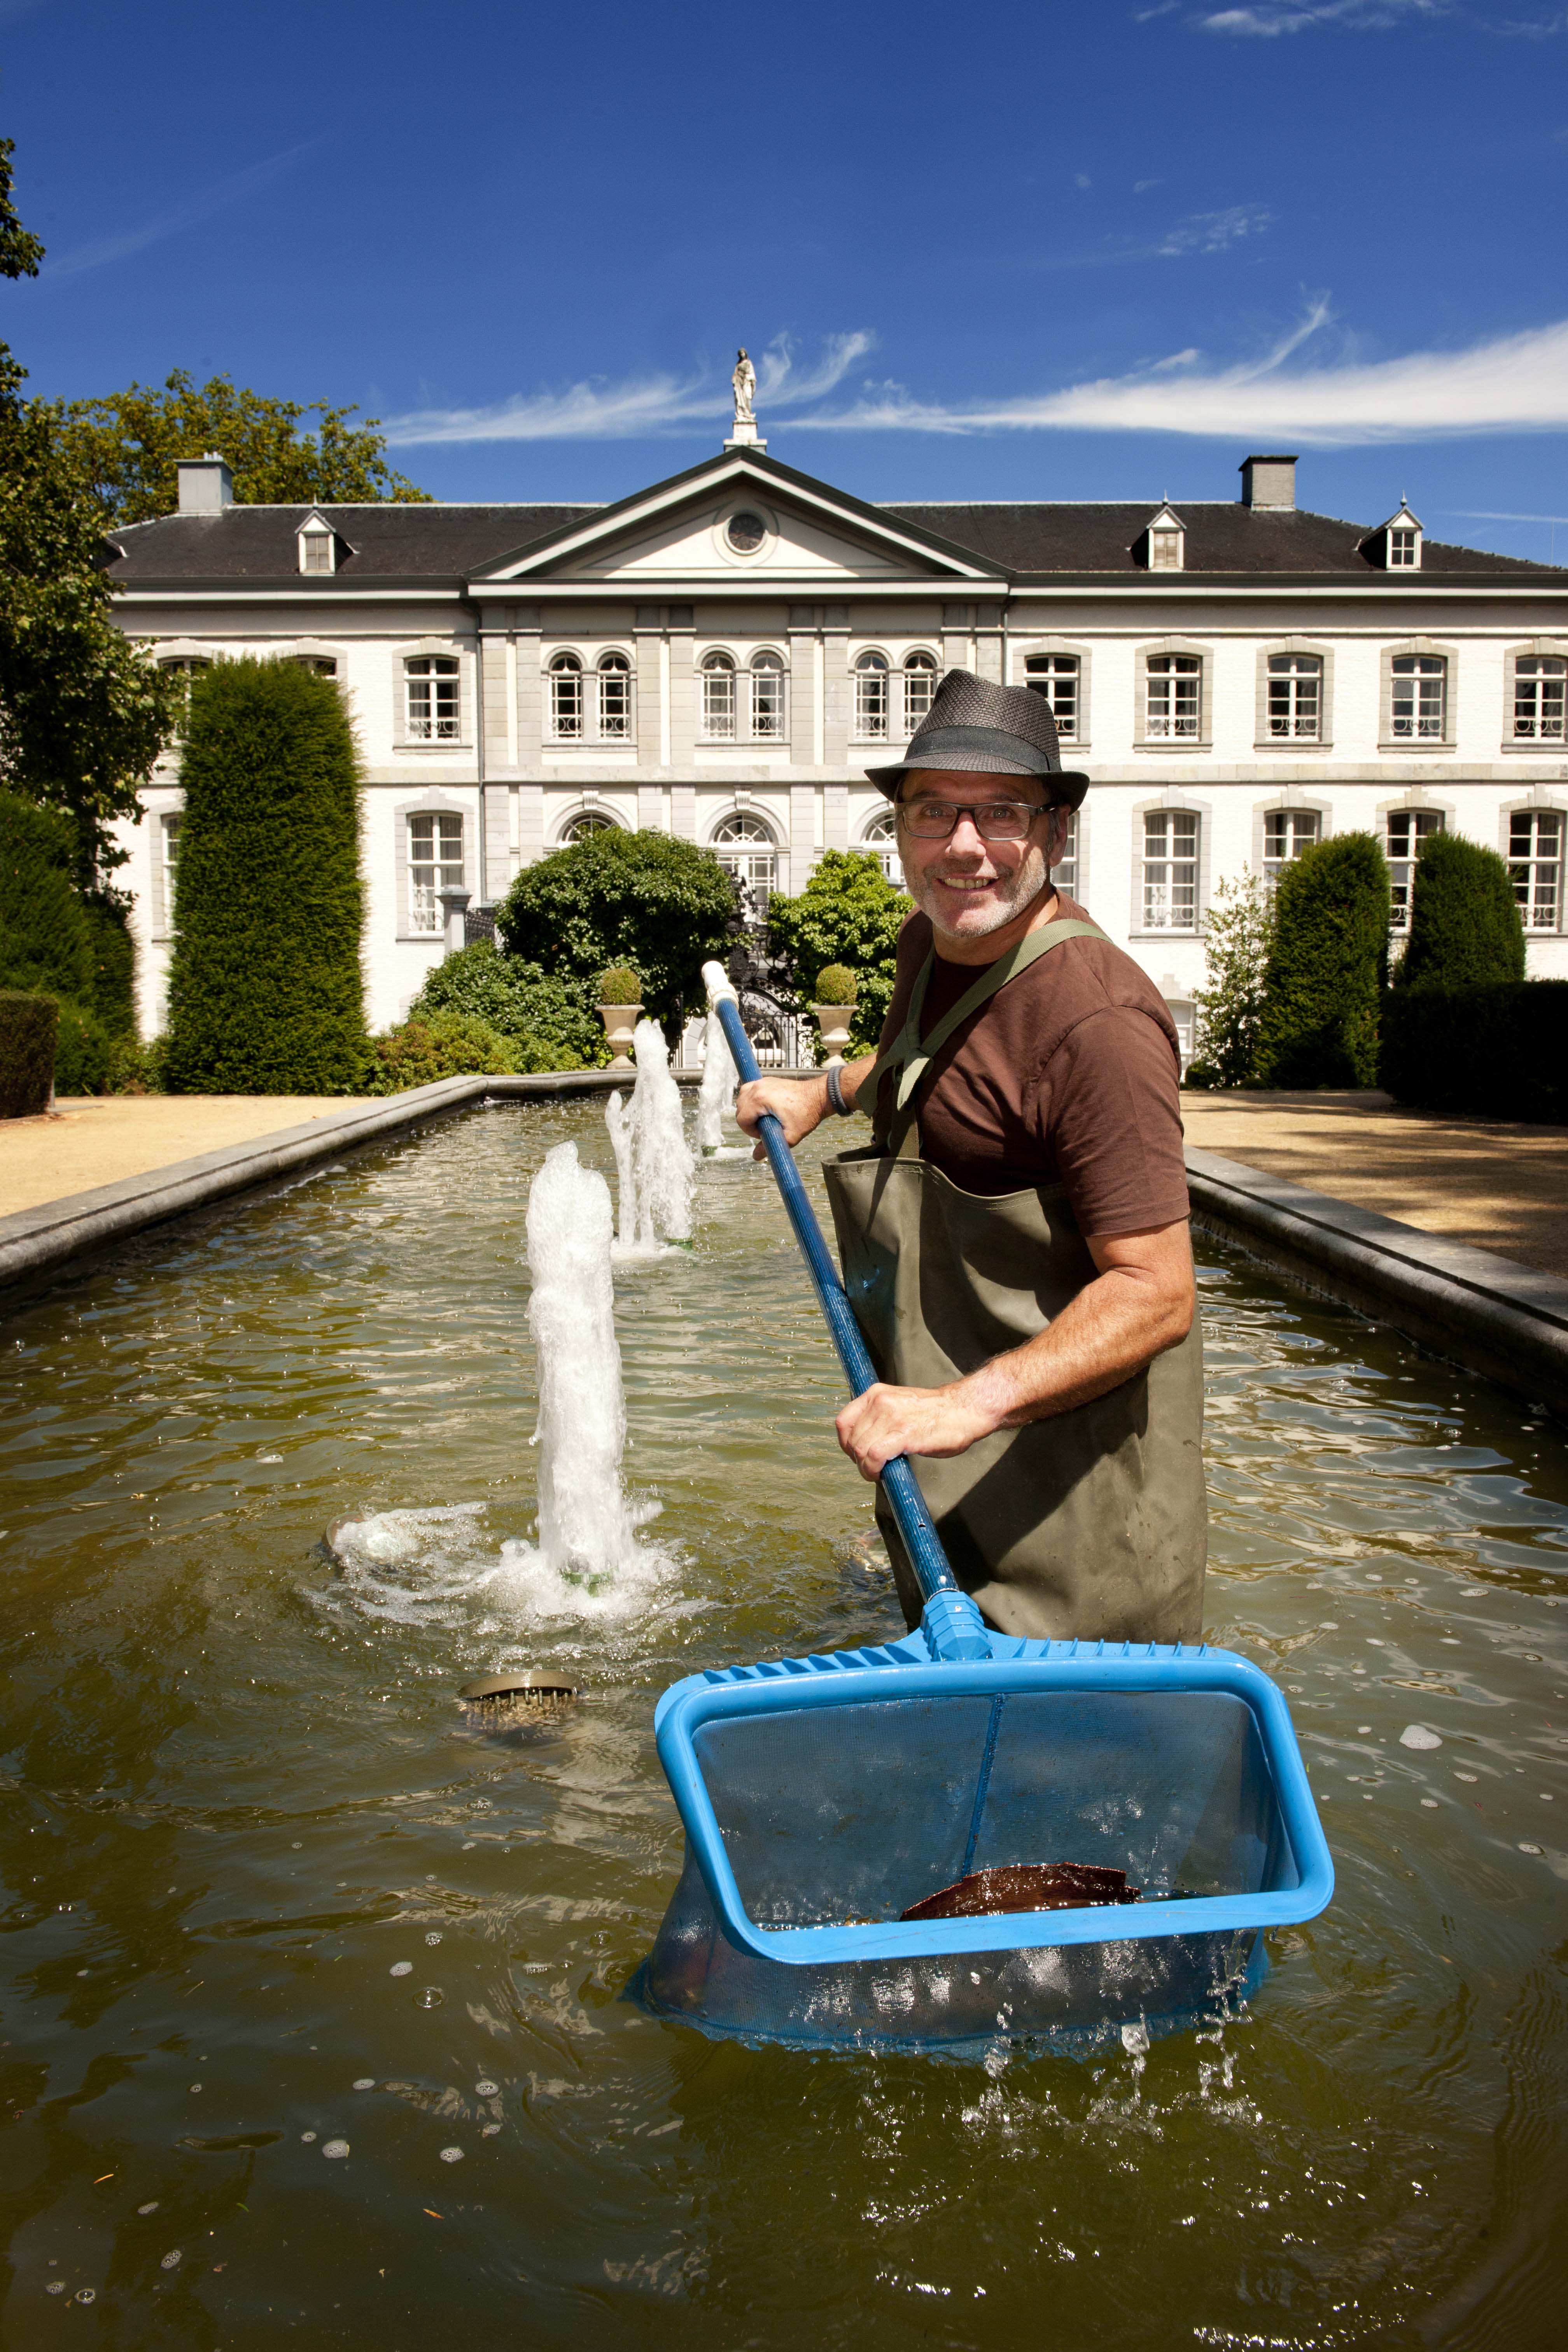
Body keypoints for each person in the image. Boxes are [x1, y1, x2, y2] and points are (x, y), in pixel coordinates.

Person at [735, 668, 1205, 1645]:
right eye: (932, 810)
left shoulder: (1097, 1020)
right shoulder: (935, 946)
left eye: (1000, 811)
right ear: (900, 828)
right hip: (954, 1492)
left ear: (1054, 833)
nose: (962, 846)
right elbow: (931, 1071)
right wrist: (822, 1090)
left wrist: (961, 1407)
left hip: (1074, 1550)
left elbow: (1157, 1291)